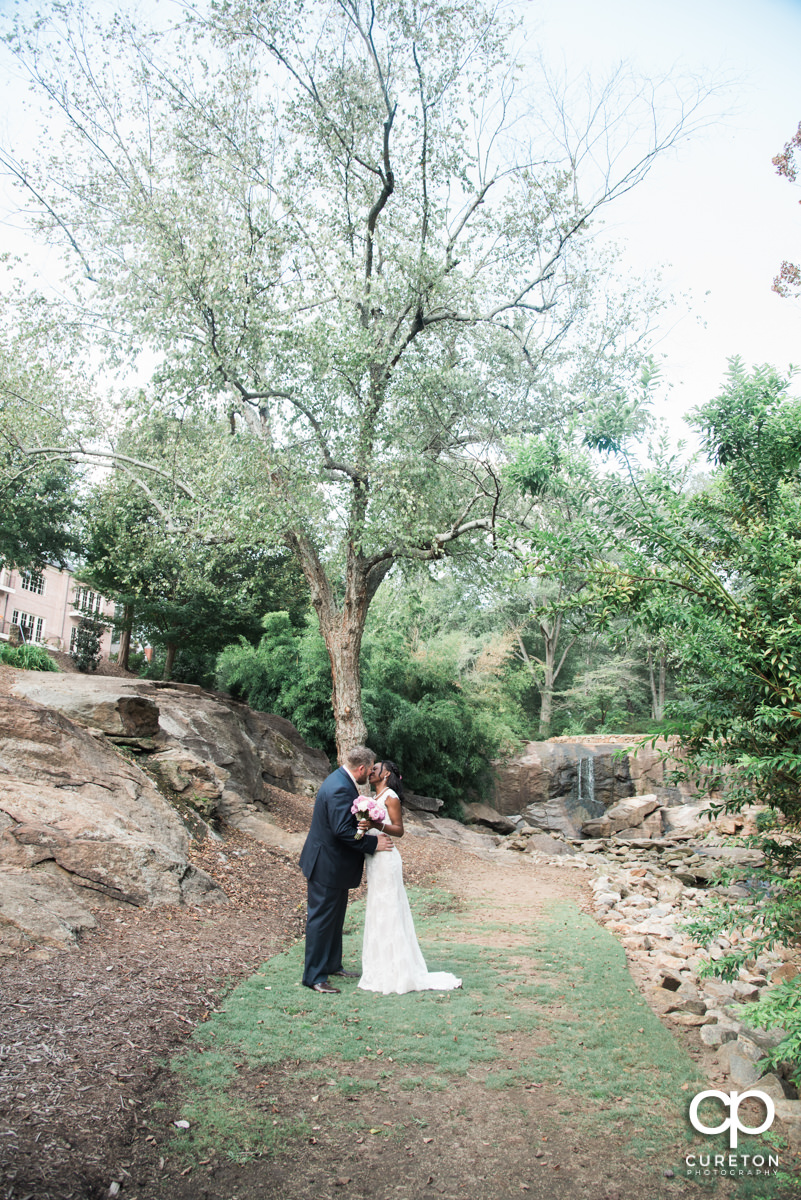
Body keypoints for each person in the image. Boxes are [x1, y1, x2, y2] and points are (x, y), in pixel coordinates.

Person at [357, 760, 462, 995]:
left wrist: (375, 823)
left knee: (389, 909)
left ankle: (398, 970)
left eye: (376, 768)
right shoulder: (373, 799)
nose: (371, 771)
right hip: (375, 858)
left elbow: (399, 829)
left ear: (385, 775)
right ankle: (380, 966)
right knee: (378, 909)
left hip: (387, 860)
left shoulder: (390, 796)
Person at [299, 745, 393, 994]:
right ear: (361, 768)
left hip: (334, 866)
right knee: (320, 920)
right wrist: (374, 843)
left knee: (334, 918)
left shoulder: (340, 780)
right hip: (326, 865)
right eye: (370, 768)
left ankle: (331, 964)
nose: (371, 773)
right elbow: (342, 830)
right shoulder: (340, 787)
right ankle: (314, 977)